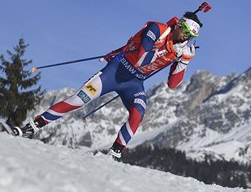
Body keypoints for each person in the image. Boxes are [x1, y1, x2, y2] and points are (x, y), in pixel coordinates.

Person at [12, 11, 204, 160]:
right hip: (115, 72)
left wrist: (184, 62)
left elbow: (172, 85)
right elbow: (141, 59)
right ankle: (32, 127)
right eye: (185, 33)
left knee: (138, 113)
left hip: (134, 84)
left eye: (190, 37)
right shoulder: (157, 29)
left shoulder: (180, 50)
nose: (185, 39)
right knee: (78, 100)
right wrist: (166, 51)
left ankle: (114, 154)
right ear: (178, 26)